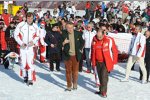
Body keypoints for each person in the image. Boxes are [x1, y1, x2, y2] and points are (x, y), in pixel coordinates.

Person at [14, 12, 39, 86]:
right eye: (28, 18)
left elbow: (37, 36)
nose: (30, 20)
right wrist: (21, 43)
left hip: (30, 48)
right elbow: (16, 35)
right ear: (26, 18)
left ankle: (30, 78)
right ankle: (25, 75)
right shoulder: (21, 25)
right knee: (23, 62)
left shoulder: (35, 26)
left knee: (30, 62)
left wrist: (33, 42)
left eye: (31, 18)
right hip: (22, 47)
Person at [91, 28, 118, 98]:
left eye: (100, 37)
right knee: (99, 77)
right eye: (97, 36)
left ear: (103, 35)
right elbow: (92, 52)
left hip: (105, 62)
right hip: (97, 62)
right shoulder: (94, 40)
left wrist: (114, 61)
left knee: (104, 77)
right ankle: (101, 90)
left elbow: (114, 50)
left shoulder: (109, 40)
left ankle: (104, 92)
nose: (99, 38)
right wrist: (93, 62)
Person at [62, 22, 84, 91]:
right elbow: (59, 43)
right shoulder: (63, 34)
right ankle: (69, 86)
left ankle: (75, 83)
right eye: (68, 28)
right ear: (66, 28)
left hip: (75, 55)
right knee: (68, 72)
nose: (70, 29)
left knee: (75, 72)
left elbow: (82, 42)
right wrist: (63, 43)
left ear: (73, 27)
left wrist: (80, 49)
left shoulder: (78, 33)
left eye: (71, 28)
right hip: (67, 55)